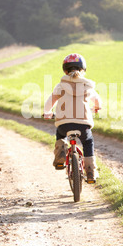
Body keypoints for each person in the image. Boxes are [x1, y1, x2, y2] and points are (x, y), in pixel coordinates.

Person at [43, 53, 102, 183]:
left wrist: (47, 112)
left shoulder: (60, 86)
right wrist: (97, 107)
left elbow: (50, 101)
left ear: (65, 70)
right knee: (88, 142)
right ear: (83, 70)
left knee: (60, 134)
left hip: (64, 125)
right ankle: (91, 171)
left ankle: (60, 156)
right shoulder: (87, 86)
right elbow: (97, 100)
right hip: (83, 125)